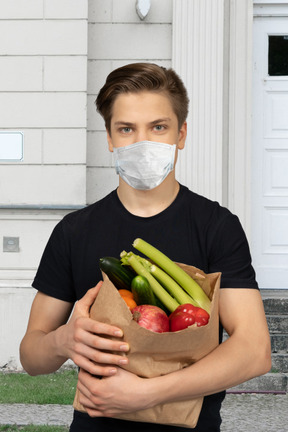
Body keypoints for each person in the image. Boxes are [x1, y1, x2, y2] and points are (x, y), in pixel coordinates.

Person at [20, 63, 271, 431]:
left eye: (158, 127)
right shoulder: (74, 231)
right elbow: (31, 357)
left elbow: (254, 352)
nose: (142, 142)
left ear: (181, 134)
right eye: (126, 129)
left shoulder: (216, 227)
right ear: (109, 138)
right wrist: (62, 341)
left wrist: (147, 393)